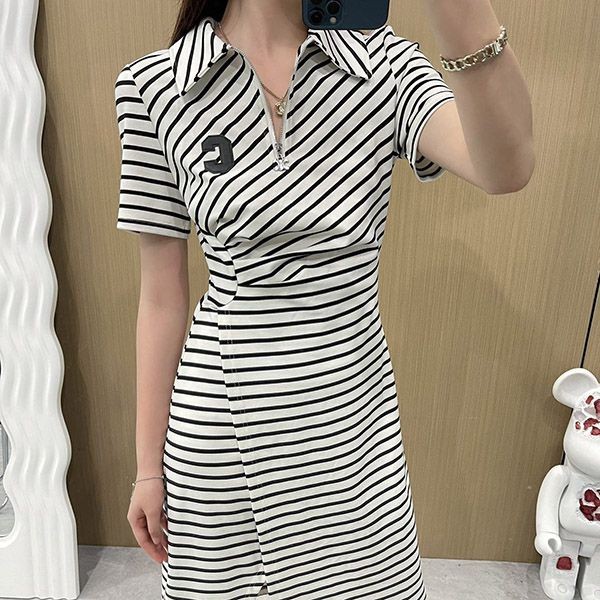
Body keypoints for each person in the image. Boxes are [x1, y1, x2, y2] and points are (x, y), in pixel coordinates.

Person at [115, 0, 533, 598]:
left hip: (353, 432)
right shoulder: (154, 87)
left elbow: (507, 168)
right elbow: (160, 300)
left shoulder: (382, 65)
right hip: (222, 438)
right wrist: (147, 470)